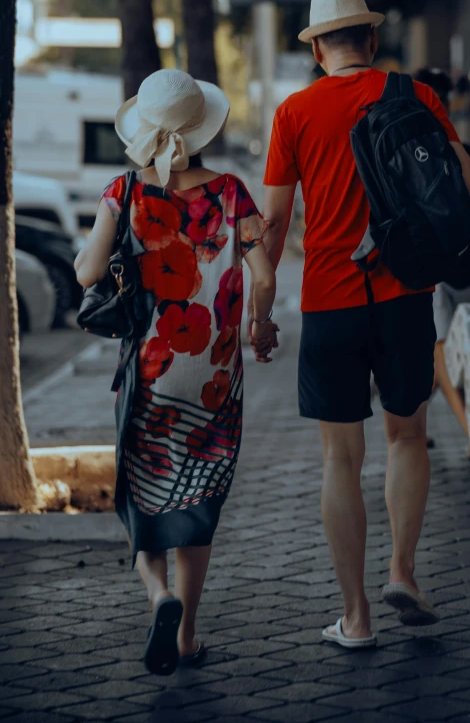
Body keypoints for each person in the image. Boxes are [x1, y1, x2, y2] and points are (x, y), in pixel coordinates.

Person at [253, 0, 470, 647]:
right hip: (405, 293)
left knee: (338, 459)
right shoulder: (414, 98)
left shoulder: (294, 111)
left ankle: (356, 618)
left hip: (330, 300)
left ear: (319, 48)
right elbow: (462, 181)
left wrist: (261, 317)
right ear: (372, 43)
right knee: (407, 436)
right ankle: (403, 572)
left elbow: (272, 226)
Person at [75, 69, 277, 675]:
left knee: (142, 493)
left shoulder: (124, 191)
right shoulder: (233, 191)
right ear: (202, 127)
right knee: (199, 495)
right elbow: (264, 277)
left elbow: (87, 275)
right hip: (215, 376)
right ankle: (187, 634)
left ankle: (158, 596)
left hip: (150, 369)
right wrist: (259, 329)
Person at [414, 69, 470, 458]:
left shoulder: (466, 154)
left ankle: (410, 415)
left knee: (447, 355)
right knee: (445, 351)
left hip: (462, 266)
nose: (437, 106)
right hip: (429, 273)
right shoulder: (407, 157)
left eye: (442, 99)